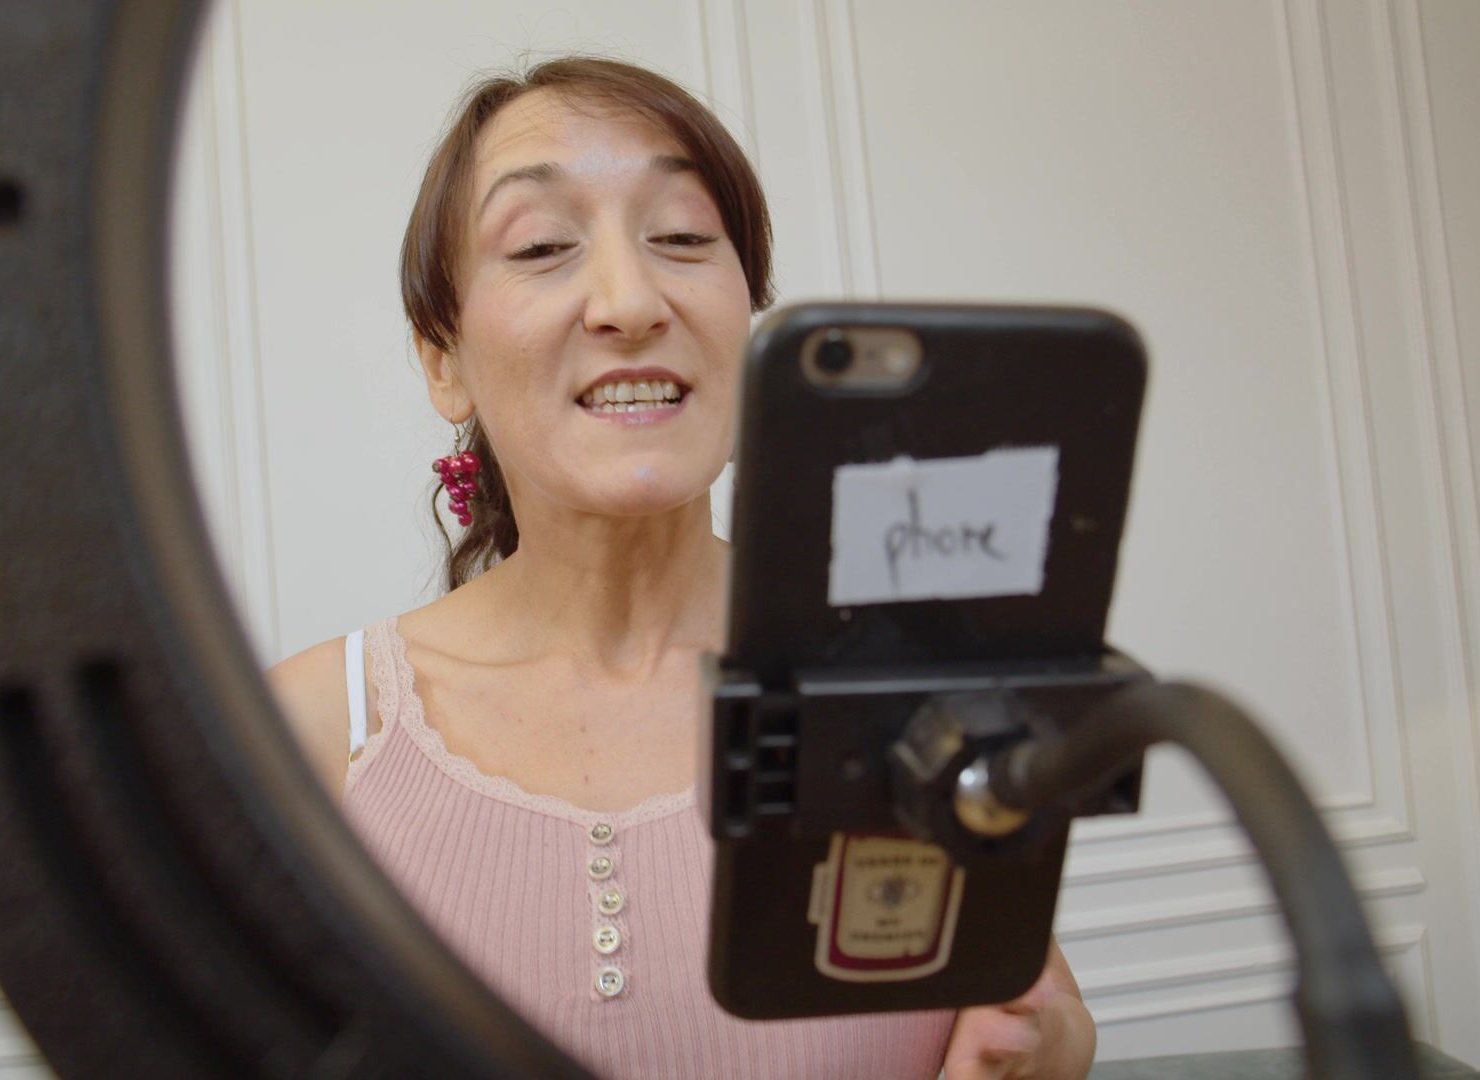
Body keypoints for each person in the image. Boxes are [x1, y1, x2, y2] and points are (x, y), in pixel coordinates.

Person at [268, 55, 1097, 1080]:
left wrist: (1042, 1047)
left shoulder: (908, 692)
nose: (630, 301)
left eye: (683, 238)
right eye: (542, 246)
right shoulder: (316, 732)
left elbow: (1039, 1009)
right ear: (444, 358)